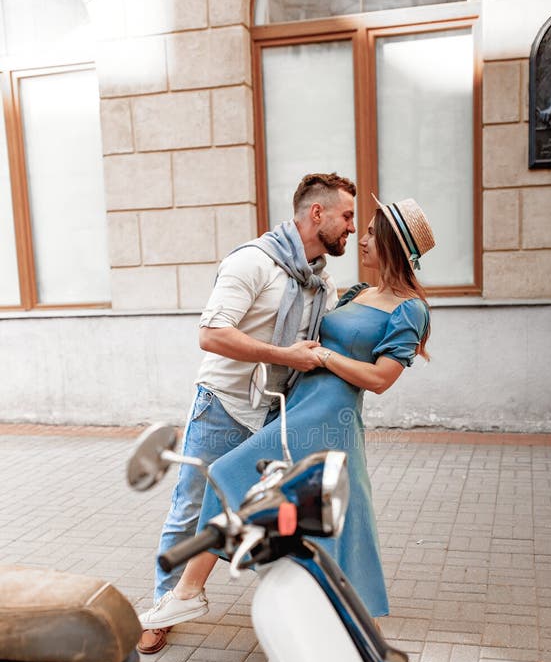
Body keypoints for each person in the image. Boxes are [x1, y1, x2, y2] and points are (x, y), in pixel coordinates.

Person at [138, 195, 435, 629]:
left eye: (370, 231)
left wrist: (323, 359)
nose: (361, 237)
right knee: (288, 516)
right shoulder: (355, 292)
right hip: (296, 405)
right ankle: (283, 618)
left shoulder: (410, 309)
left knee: (229, 476)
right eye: (358, 225)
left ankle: (189, 593)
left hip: (328, 418)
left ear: (392, 242)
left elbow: (380, 379)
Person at [137, 172, 357, 655]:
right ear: (316, 213)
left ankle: (283, 619)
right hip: (222, 405)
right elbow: (212, 334)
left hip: (277, 414)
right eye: (346, 216)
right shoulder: (253, 262)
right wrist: (286, 357)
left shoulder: (323, 281)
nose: (352, 228)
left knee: (267, 517)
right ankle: (164, 605)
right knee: (191, 508)